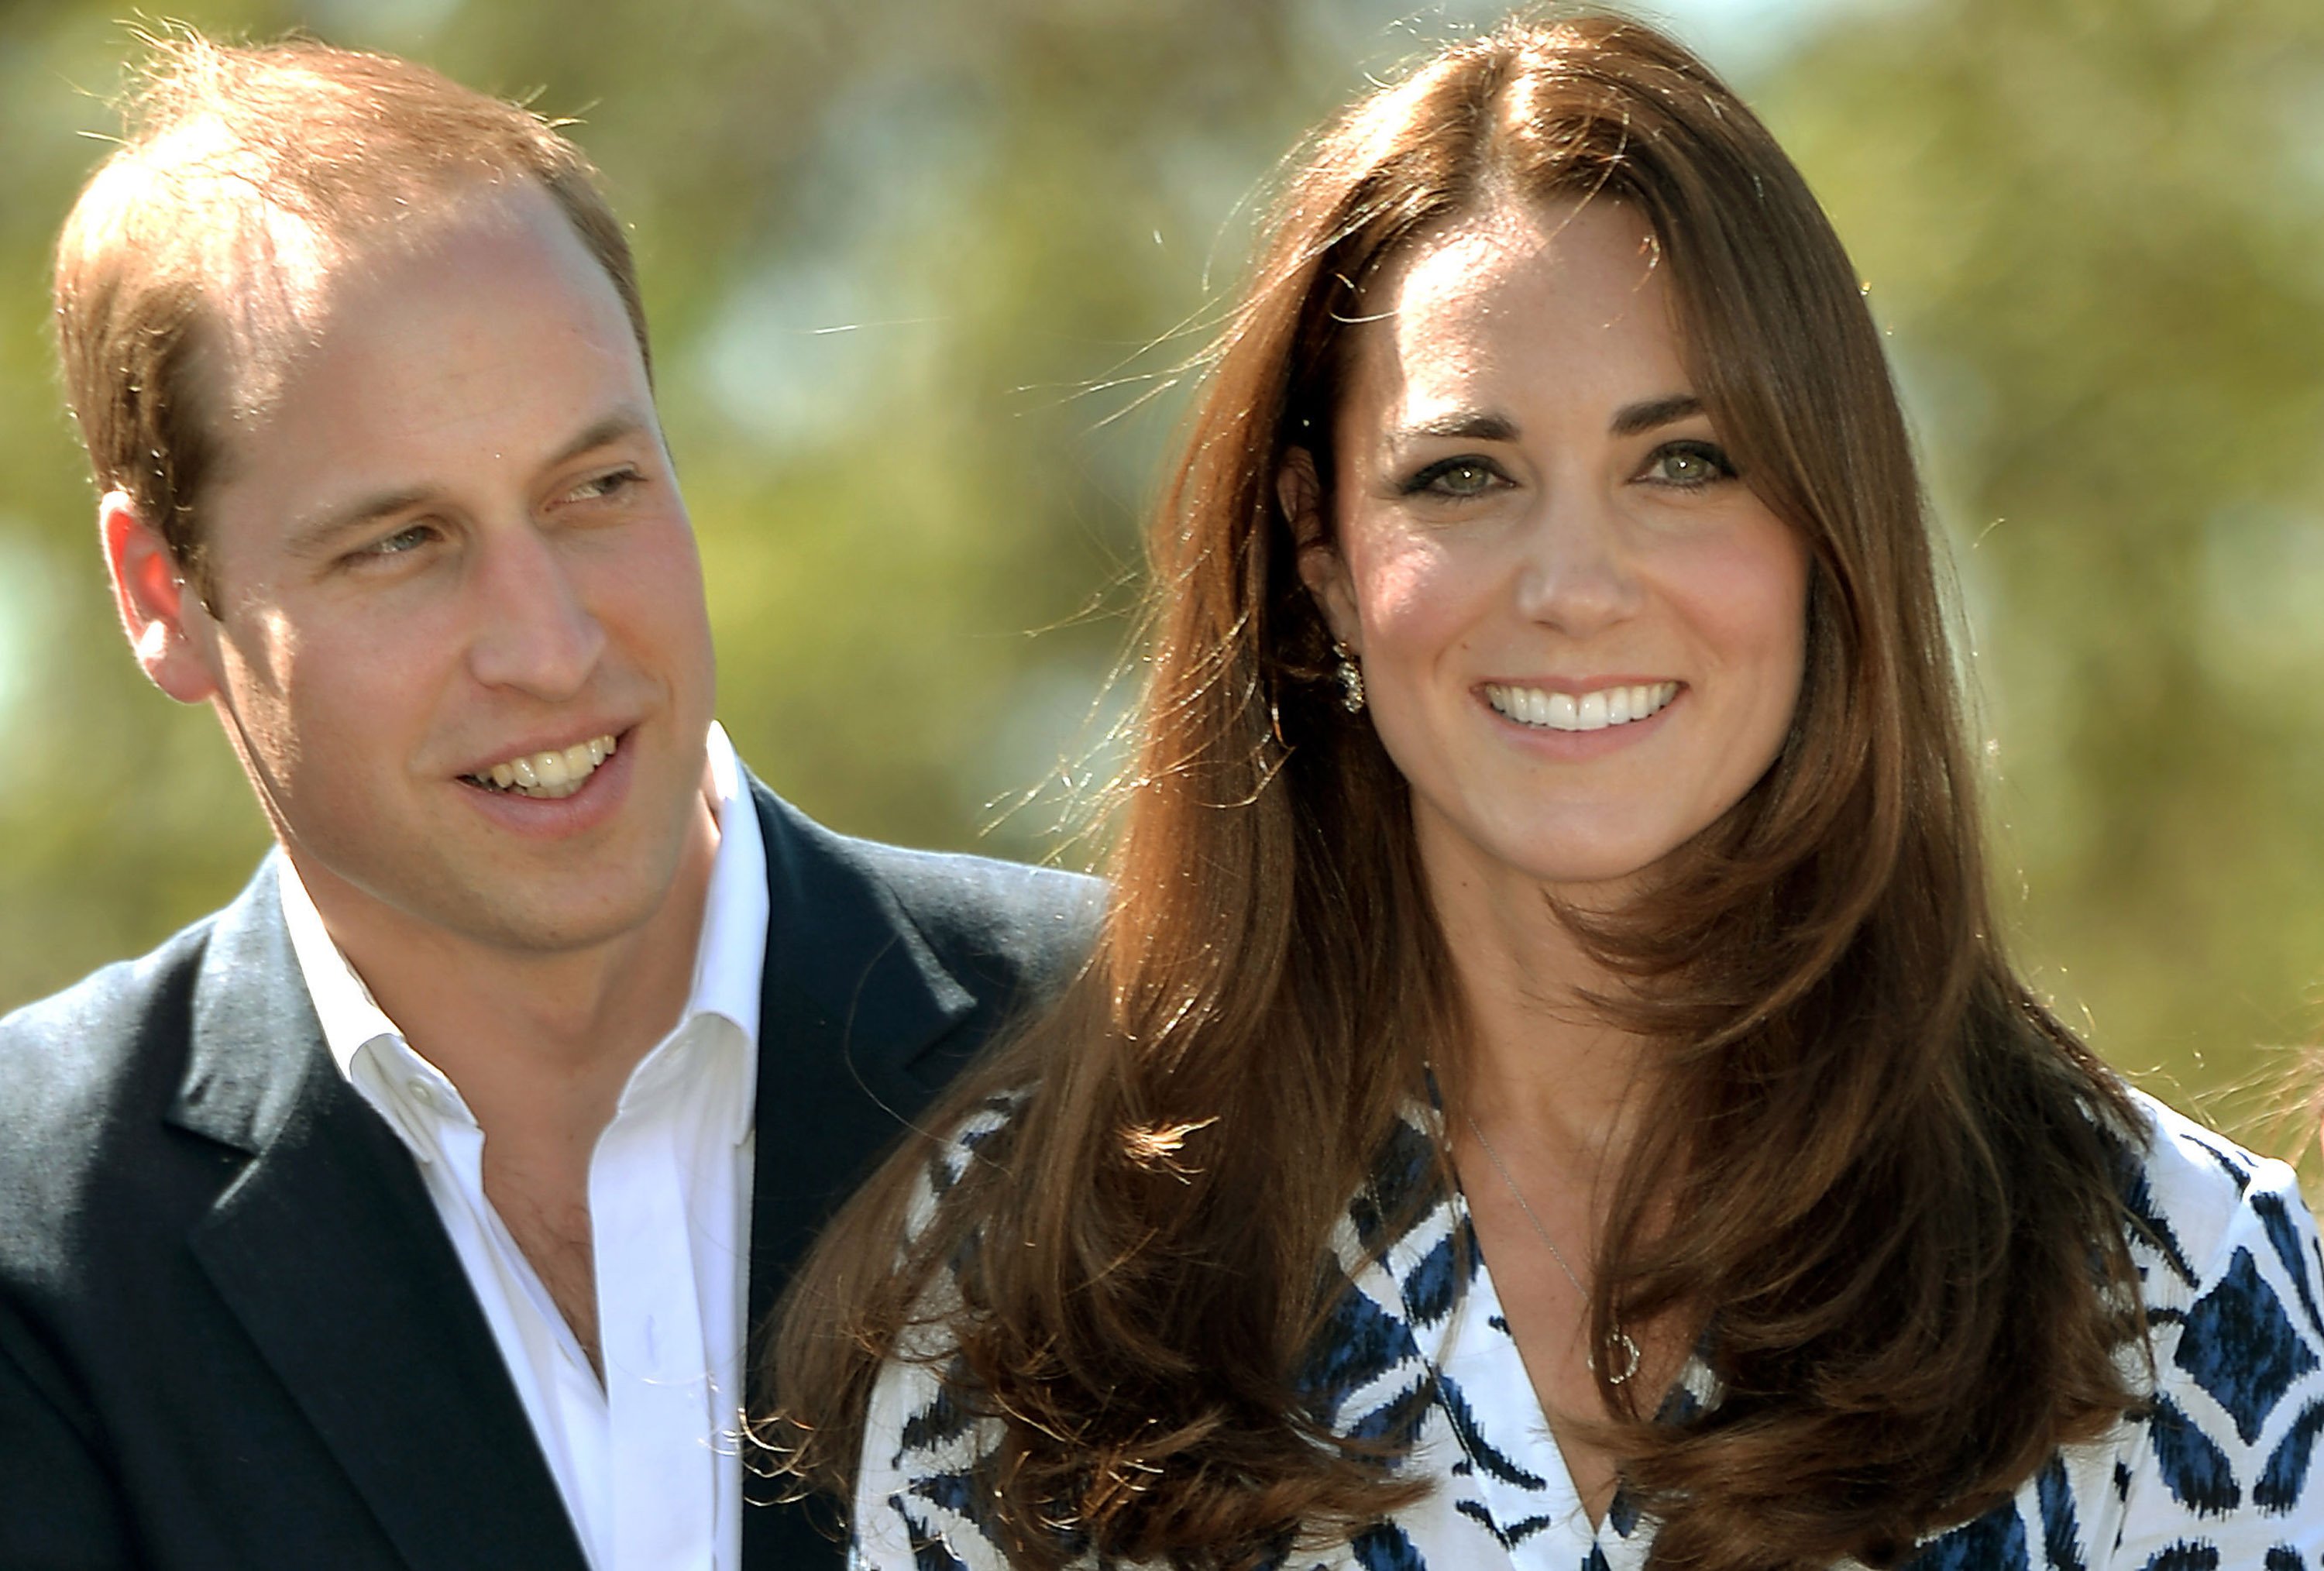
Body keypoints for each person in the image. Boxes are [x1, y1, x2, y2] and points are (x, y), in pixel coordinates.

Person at [764, 14, 2324, 1571]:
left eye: (1686, 463)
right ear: (1319, 553)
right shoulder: (1049, 1288)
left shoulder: (2184, 1287)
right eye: (1464, 476)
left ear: (1821, 532)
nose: (1576, 589)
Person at [0, 33, 1096, 1571]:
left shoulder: (1146, 1060)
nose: (553, 647)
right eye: (401, 541)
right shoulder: (34, 1237)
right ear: (159, 594)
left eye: (596, 490)